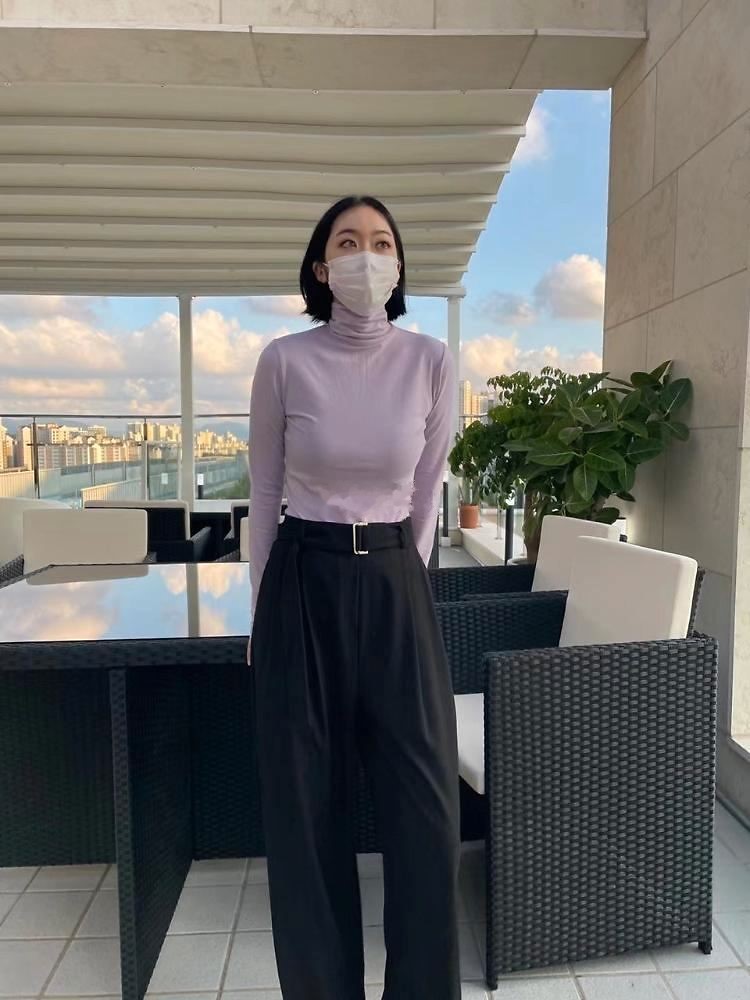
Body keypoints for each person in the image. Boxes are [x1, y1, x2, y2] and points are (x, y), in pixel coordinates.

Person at [246, 194, 461, 1000]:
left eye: (380, 242)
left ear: (398, 265)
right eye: (347, 241)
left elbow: (428, 491)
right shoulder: (283, 361)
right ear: (320, 266)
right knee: (306, 813)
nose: (365, 255)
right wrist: (262, 617)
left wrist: (410, 588)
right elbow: (263, 493)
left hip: (396, 578)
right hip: (304, 580)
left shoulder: (432, 361)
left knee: (426, 814)